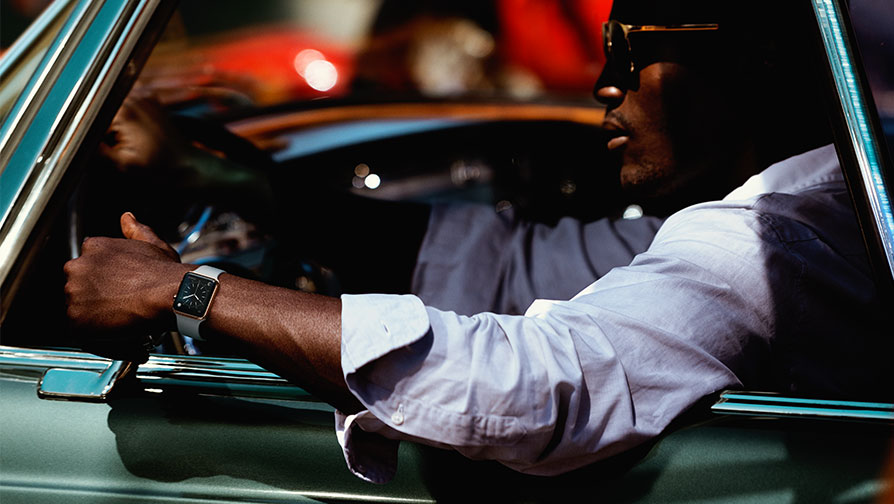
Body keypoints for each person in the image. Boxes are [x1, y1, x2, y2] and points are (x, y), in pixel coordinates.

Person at [64, 0, 889, 484]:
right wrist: (223, 179)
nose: (604, 82)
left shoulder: (771, 245)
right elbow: (510, 263)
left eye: (632, 48)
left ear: (756, 59)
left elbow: (528, 389)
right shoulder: (827, 206)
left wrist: (188, 292)